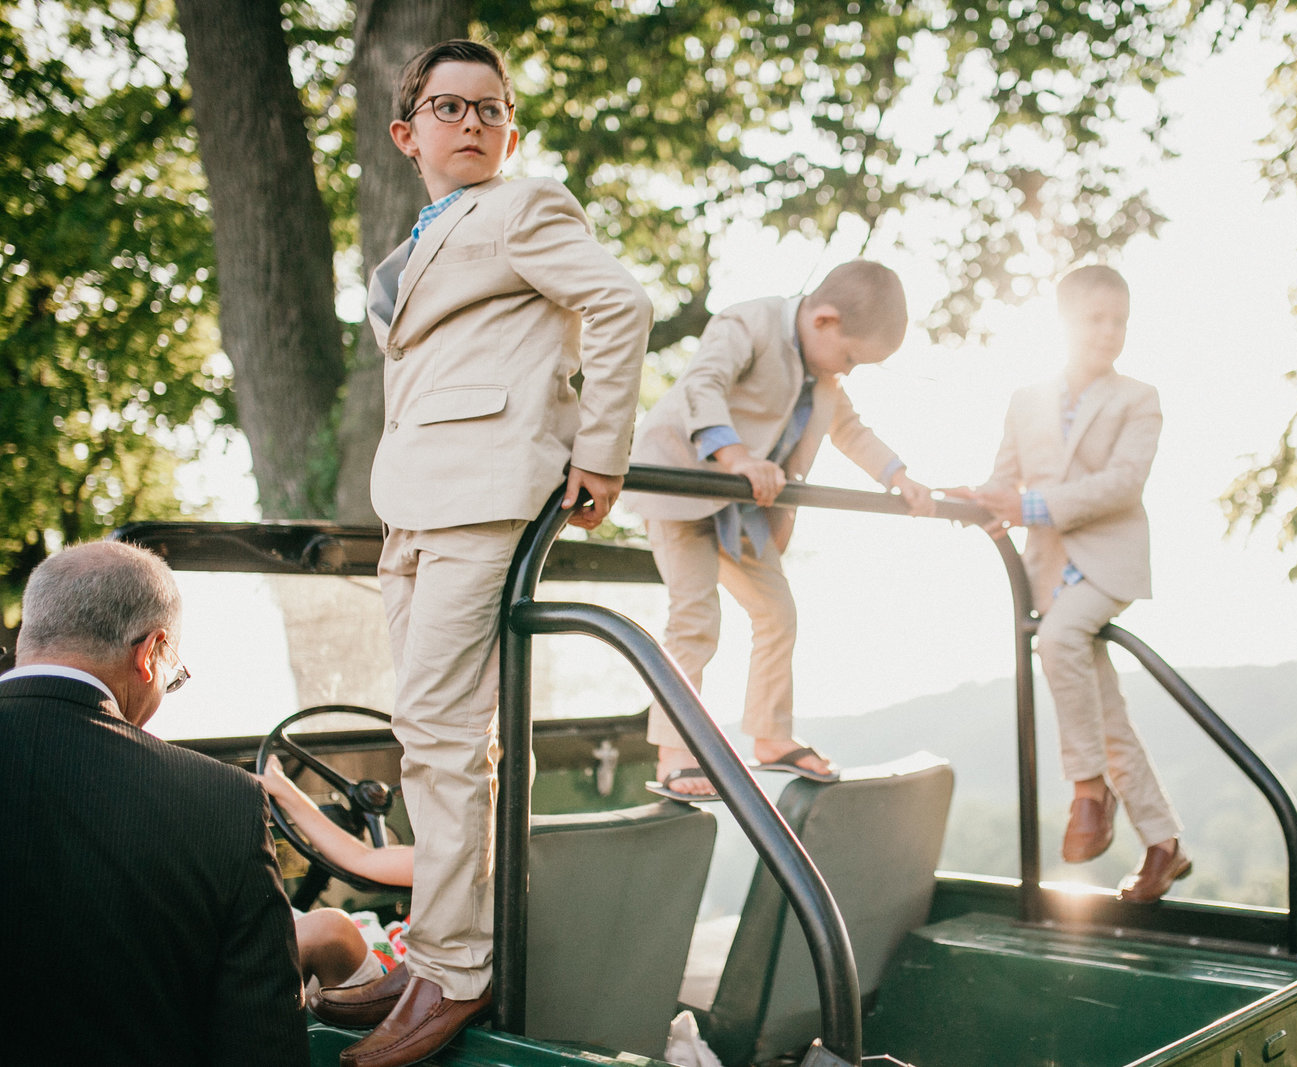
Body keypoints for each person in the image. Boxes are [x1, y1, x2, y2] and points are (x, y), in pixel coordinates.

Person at [334, 37, 652, 1067]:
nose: (470, 123)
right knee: (425, 732)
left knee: (439, 726)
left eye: (490, 109)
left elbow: (618, 303)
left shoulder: (523, 207)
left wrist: (597, 452)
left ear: (509, 130)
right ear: (407, 130)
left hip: (485, 497)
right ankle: (426, 947)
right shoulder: (410, 248)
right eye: (448, 107)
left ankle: (453, 970)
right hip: (411, 507)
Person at [626, 259, 935, 799]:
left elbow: (851, 431)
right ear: (824, 321)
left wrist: (900, 477)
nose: (848, 371)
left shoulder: (825, 376)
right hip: (679, 485)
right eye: (851, 357)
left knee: (777, 612)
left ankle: (770, 733)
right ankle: (674, 752)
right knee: (695, 619)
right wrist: (738, 456)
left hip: (739, 504)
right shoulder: (750, 324)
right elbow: (704, 385)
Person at [0, 541, 309, 1066]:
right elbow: (263, 1047)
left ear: (32, 629)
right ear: (150, 653)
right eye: (175, 675)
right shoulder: (222, 802)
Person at [958, 264, 1190, 902]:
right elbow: (1003, 480)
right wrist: (973, 499)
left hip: (1106, 563)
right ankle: (1164, 844)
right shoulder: (1026, 399)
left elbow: (1122, 485)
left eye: (1120, 321)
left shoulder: (1138, 399)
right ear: (1062, 323)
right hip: (1048, 569)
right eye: (1096, 319)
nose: (1110, 332)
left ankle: (1089, 790)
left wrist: (1030, 507)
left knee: (1057, 640)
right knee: (1106, 711)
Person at [252, 756, 416, 1005]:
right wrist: (284, 791)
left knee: (328, 929)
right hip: (388, 949)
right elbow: (361, 858)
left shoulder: (485, 869)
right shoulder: (457, 855)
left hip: (404, 987)